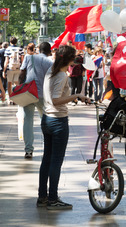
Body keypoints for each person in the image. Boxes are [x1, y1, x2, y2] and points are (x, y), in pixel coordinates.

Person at [37, 45, 90, 210]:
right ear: (69, 60)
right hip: (58, 121)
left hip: (47, 119)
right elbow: (55, 100)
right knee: (55, 161)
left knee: (47, 159)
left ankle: (43, 197)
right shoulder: (61, 76)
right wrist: (76, 96)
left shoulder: (50, 73)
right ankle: (53, 198)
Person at [19, 42, 54, 159]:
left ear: (39, 49)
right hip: (42, 95)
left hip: (28, 93)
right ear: (49, 51)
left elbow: (22, 73)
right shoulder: (50, 62)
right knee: (44, 121)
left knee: (27, 120)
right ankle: (47, 147)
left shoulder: (29, 58)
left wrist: (20, 89)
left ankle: (28, 150)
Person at [3, 37, 24, 102]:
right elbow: (22, 60)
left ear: (10, 42)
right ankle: (16, 98)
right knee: (17, 83)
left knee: (9, 83)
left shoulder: (8, 49)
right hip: (18, 68)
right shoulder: (20, 49)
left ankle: (10, 98)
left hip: (10, 68)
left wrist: (4, 70)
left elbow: (6, 61)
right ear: (16, 42)